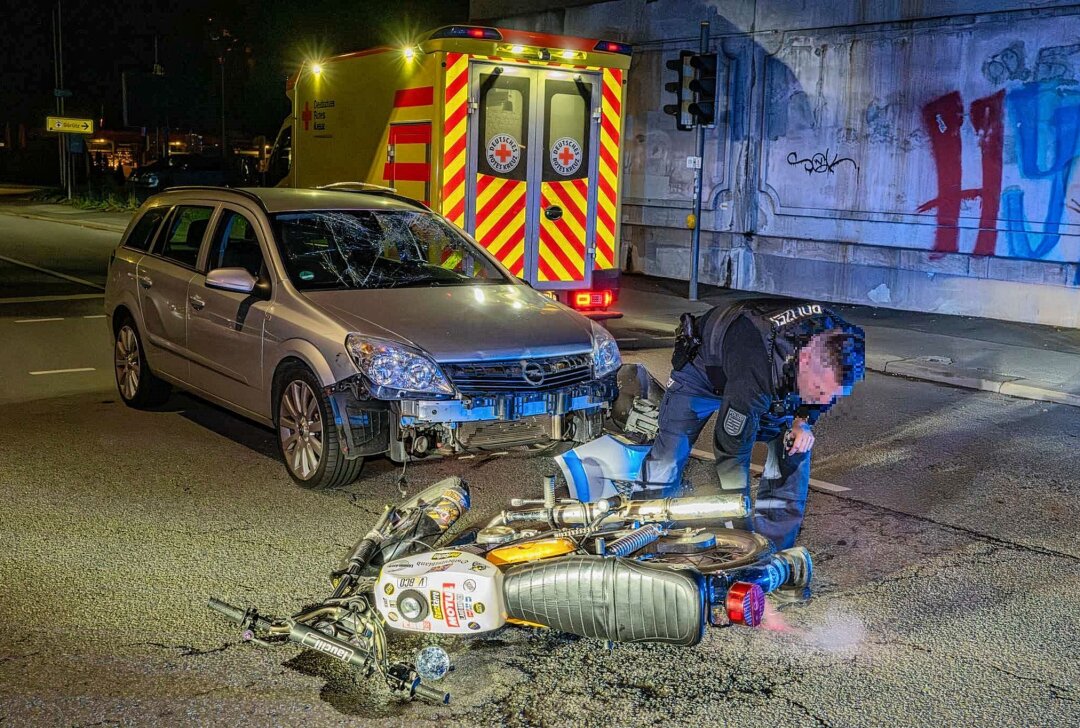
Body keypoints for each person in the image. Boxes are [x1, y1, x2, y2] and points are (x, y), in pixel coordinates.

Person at [641, 298, 865, 550]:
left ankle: (774, 551)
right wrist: (740, 525)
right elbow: (731, 451)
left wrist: (803, 421)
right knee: (670, 451)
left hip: (775, 379)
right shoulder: (757, 360)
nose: (824, 400)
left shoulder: (842, 343)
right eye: (818, 390)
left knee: (794, 448)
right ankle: (645, 533)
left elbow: (823, 392)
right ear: (804, 361)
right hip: (703, 371)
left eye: (831, 395)